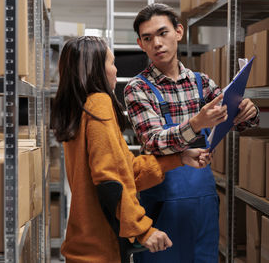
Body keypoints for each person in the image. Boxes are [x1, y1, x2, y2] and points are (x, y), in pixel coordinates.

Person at [50, 36, 212, 263]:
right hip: (100, 251)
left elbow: (126, 169)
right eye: (111, 63)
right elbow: (111, 181)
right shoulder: (99, 104)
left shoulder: (79, 109)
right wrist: (143, 229)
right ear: (96, 68)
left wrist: (180, 158)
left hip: (85, 246)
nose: (116, 71)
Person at [124, 3, 260, 263]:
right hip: (161, 204)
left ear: (178, 32)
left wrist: (248, 110)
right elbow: (153, 142)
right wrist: (196, 124)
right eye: (148, 38)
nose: (157, 43)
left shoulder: (202, 83)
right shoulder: (137, 88)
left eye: (163, 33)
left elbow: (238, 122)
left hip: (203, 205)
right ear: (141, 44)